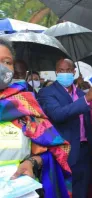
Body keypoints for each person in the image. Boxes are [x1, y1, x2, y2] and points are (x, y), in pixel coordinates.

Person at [0, 38, 72, 197]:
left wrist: (32, 162)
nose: (2, 68)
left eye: (7, 62)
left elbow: (55, 150)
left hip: (18, 190)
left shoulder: (26, 106)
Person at [37, 59, 92, 198]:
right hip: (64, 152)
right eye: (60, 71)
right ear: (56, 72)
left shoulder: (81, 93)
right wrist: (86, 100)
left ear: (74, 72)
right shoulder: (46, 92)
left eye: (67, 70)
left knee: (82, 191)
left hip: (84, 151)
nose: (64, 73)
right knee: (64, 191)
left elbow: (87, 124)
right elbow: (57, 114)